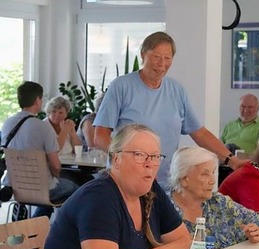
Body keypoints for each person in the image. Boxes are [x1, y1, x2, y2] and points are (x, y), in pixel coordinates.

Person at [31, 124, 191, 249]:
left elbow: (186, 247)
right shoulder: (99, 197)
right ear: (116, 159)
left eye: (155, 157)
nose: (150, 163)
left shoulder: (151, 191)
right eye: (139, 155)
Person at [93, 31, 245, 190]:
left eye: (167, 58)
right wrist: (127, 161)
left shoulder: (176, 90)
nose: (162, 63)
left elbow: (200, 133)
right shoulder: (121, 86)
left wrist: (232, 160)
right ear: (143, 54)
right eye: (156, 56)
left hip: (166, 182)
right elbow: (100, 136)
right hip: (127, 182)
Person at [169, 146, 259, 249]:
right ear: (183, 179)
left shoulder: (219, 202)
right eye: (205, 174)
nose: (213, 181)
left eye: (213, 172)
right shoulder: (164, 210)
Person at [1, 81, 79, 218]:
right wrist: (56, 175)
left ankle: (35, 228)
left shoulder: (7, 124)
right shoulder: (43, 127)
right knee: (81, 190)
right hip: (44, 188)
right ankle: (62, 231)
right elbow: (55, 165)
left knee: (49, 195)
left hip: (18, 187)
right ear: (37, 100)